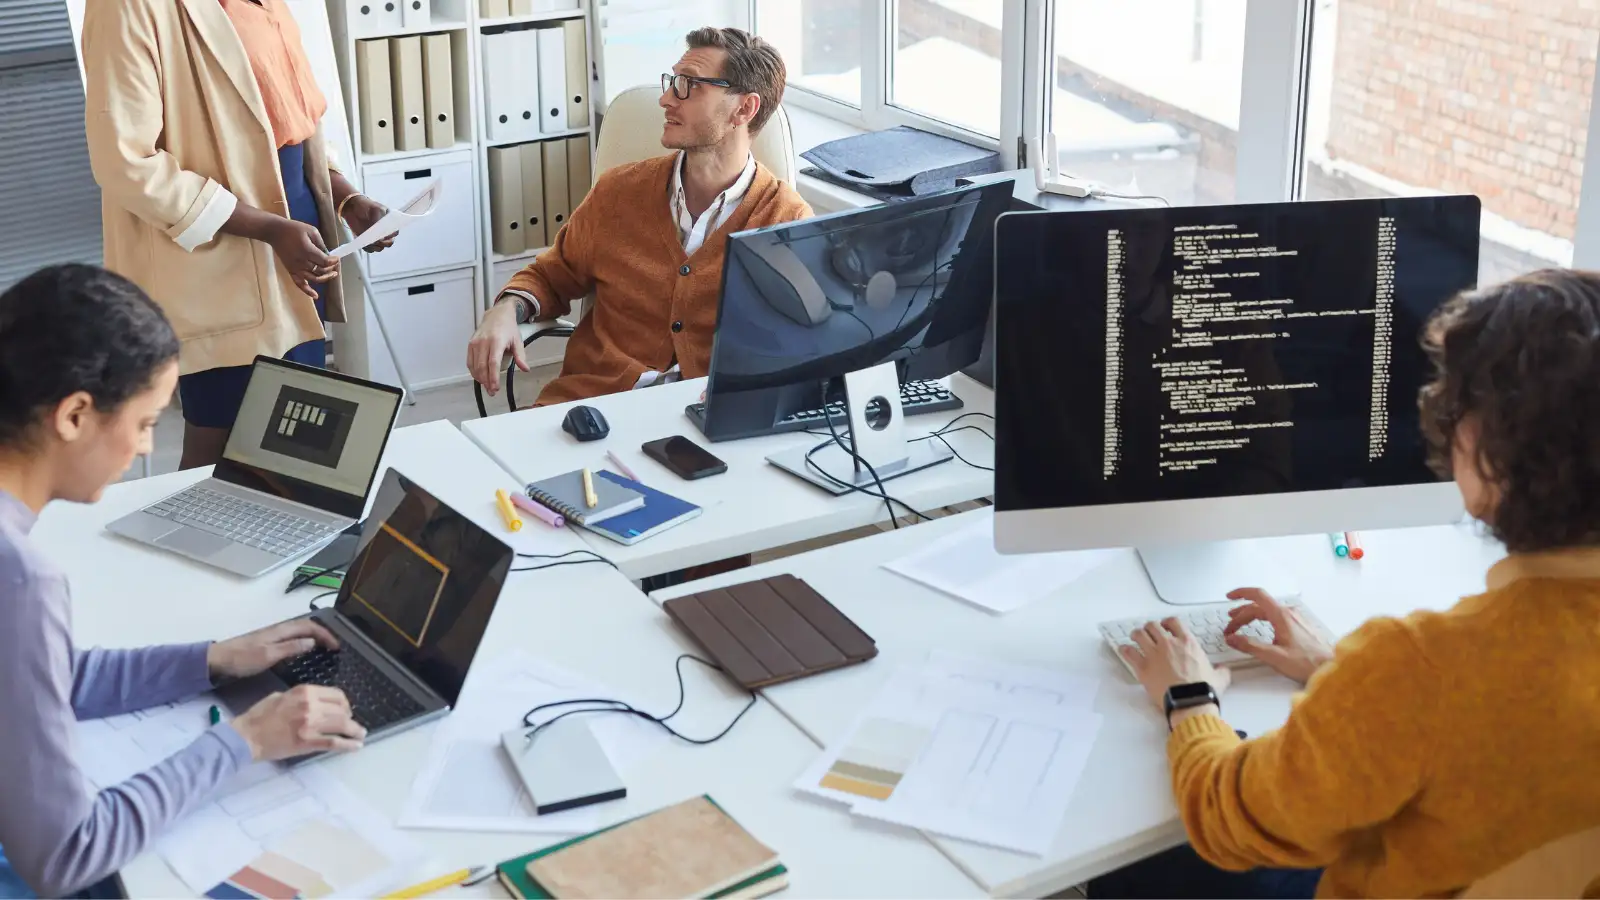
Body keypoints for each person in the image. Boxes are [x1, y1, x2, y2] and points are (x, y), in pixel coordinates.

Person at [1095, 267, 1600, 899]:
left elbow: (1227, 817)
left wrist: (1188, 698)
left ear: (1490, 444)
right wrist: (1341, 675)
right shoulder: (1431, 676)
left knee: (1134, 860)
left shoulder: (1427, 667)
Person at [0, 265, 367, 900]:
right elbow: (66, 856)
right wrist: (245, 740)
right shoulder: (20, 579)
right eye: (145, 423)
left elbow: (41, 677)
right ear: (75, 415)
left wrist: (211, 659)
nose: (145, 450)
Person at [83, 0, 396, 471]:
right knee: (223, 436)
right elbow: (126, 162)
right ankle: (195, 544)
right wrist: (268, 228)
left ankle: (288, 538)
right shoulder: (125, 6)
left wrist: (346, 198)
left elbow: (287, 122)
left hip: (297, 240)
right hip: (218, 255)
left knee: (294, 426)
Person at [467, 26, 813, 408]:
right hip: (591, 407)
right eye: (671, 82)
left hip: (705, 423)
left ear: (744, 109)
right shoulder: (619, 192)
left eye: (688, 85)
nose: (666, 99)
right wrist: (504, 310)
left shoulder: (786, 220)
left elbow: (803, 341)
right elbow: (550, 276)